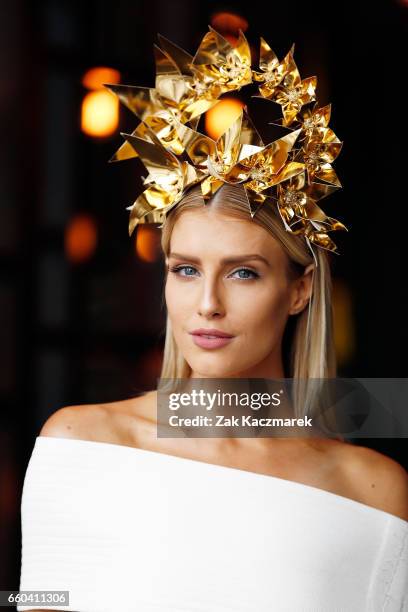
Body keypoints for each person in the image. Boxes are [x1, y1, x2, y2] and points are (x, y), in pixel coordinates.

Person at [17, 28, 408, 612]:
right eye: (186, 270)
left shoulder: (371, 490)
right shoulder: (82, 441)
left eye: (244, 273)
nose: (208, 304)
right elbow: (39, 598)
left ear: (299, 290)